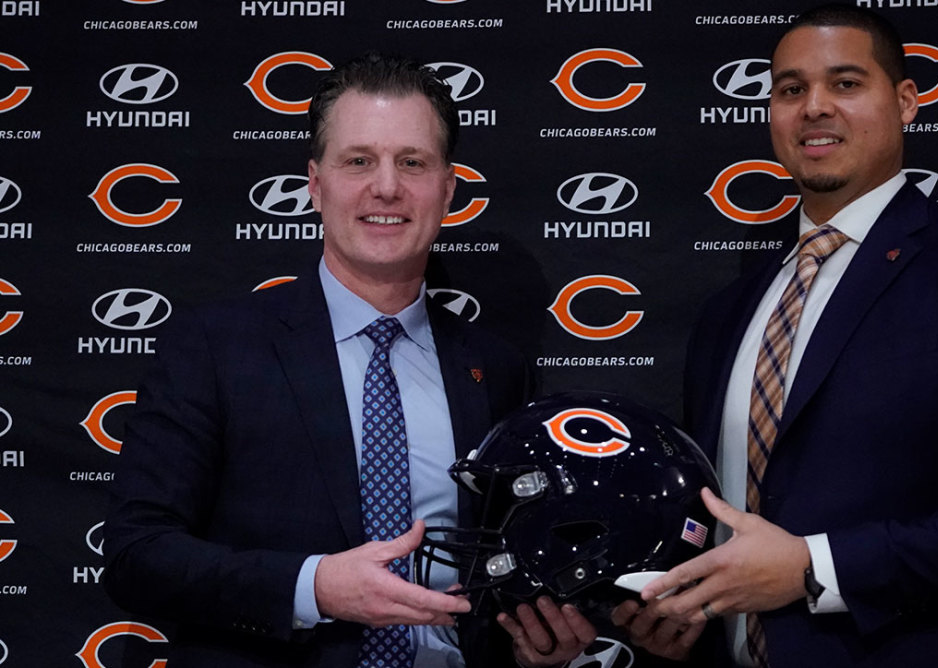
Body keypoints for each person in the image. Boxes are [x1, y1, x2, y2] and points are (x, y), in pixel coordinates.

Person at [628, 5, 938, 667]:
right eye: (791, 89)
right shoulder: (729, 311)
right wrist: (685, 608)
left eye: (846, 84)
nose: (814, 107)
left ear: (906, 101)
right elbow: (723, 519)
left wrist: (813, 567)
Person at [103, 53, 594, 668]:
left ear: (446, 188)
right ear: (315, 184)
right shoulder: (214, 346)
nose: (386, 186)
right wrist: (314, 587)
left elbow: (501, 578)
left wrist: (533, 647)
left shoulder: (493, 368)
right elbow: (136, 554)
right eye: (358, 160)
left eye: (411, 162)